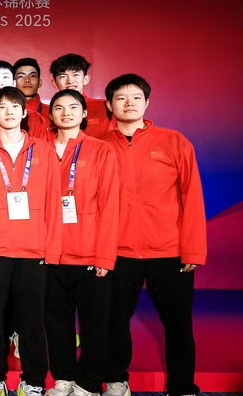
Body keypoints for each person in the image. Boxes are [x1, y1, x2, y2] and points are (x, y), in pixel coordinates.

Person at [100, 74, 206, 396]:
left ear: (147, 102)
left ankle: (182, 386)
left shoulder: (174, 142)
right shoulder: (99, 147)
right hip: (118, 252)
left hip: (169, 251)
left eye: (136, 97)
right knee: (114, 321)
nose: (129, 103)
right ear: (109, 105)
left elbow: (192, 196)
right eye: (121, 98)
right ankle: (116, 381)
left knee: (179, 324)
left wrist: (193, 250)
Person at [0, 87, 62, 396]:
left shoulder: (44, 151)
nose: (9, 112)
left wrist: (52, 249)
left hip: (34, 250)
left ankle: (33, 382)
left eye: (14, 107)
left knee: (32, 321)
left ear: (24, 112)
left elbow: (53, 203)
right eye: (2, 107)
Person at [44, 90, 120, 396]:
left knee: (94, 324)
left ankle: (88, 383)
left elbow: (110, 206)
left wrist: (105, 257)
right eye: (59, 108)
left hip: (89, 253)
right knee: (56, 322)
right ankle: (63, 378)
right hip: (50, 254)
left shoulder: (100, 150)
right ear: (50, 115)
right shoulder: (40, 150)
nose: (66, 112)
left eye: (73, 107)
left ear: (85, 113)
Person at [49, 54, 111, 138]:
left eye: (75, 75)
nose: (70, 81)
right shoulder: (51, 112)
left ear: (86, 79)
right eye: (63, 76)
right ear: (55, 83)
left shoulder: (105, 107)